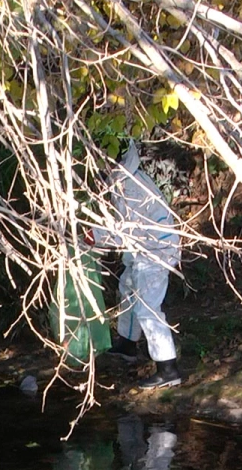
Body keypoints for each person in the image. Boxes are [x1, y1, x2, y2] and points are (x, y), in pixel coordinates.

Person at [90, 141, 182, 389]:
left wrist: (94, 236)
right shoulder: (125, 180)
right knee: (128, 289)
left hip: (156, 250)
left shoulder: (132, 187)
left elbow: (125, 231)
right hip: (143, 248)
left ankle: (168, 368)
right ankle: (127, 344)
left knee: (147, 307)